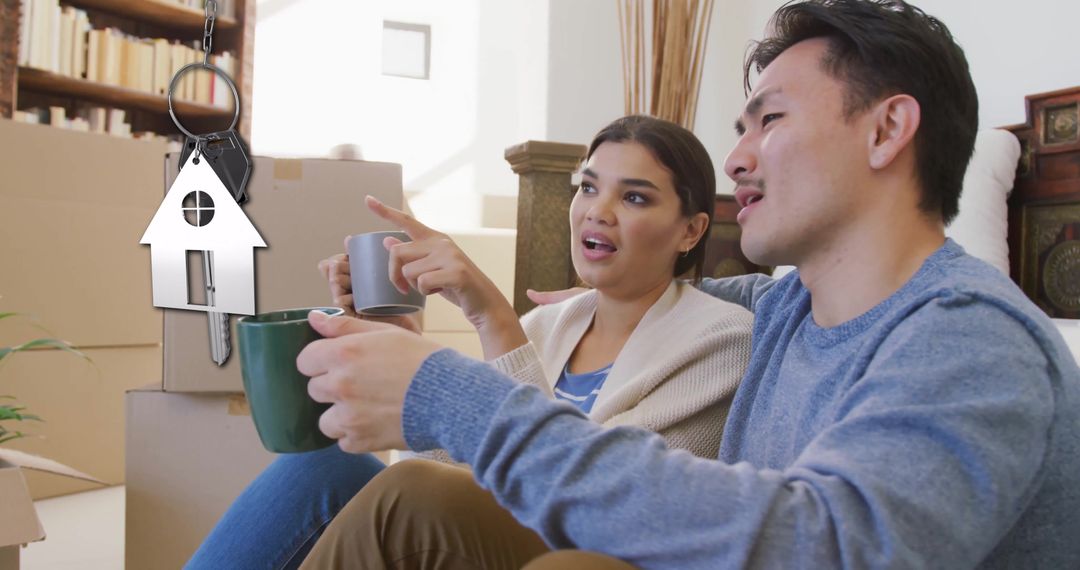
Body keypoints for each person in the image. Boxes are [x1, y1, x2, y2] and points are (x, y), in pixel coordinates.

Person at [294, 0, 1080, 568]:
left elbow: (830, 545)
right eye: (739, 130)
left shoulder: (972, 338)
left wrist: (449, 393)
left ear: (886, 129)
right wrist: (605, 293)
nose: (736, 161)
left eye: (768, 120)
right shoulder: (793, 305)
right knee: (411, 498)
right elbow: (726, 298)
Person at [186, 116, 754, 569]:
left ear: (691, 230)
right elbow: (440, 468)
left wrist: (493, 317)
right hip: (478, 533)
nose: (596, 212)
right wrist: (404, 353)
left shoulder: (719, 342)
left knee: (402, 491)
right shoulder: (553, 324)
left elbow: (590, 501)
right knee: (320, 468)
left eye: (634, 198)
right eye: (588, 187)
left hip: (579, 552)